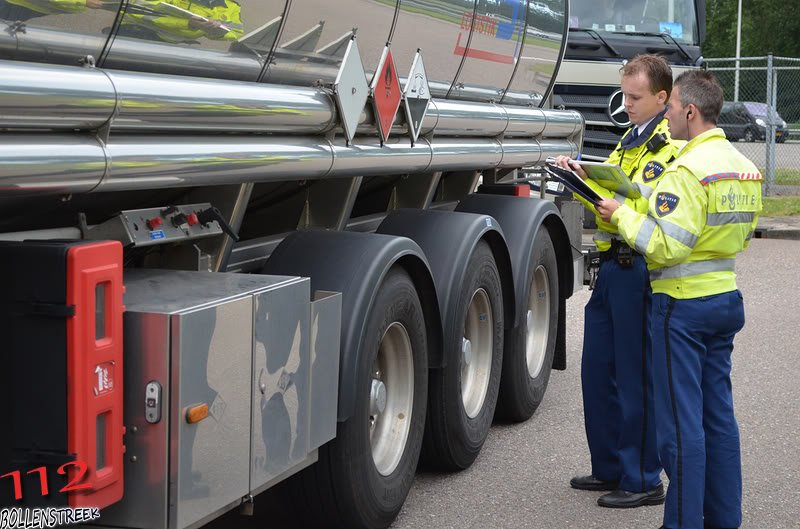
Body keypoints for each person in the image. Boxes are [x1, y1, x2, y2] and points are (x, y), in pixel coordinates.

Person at [596, 70, 761, 529]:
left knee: (680, 429)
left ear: (690, 110)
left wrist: (622, 216)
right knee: (720, 421)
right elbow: (741, 234)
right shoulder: (743, 167)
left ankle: (683, 523)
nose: (666, 118)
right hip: (725, 297)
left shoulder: (686, 169)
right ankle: (724, 520)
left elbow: (665, 244)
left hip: (681, 308)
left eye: (670, 110)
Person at [555, 54, 682, 509]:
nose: (625, 104)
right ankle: (609, 466)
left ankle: (644, 477)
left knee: (634, 377)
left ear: (662, 98)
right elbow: (606, 206)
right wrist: (581, 181)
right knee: (597, 374)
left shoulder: (668, 148)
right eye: (624, 94)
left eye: (635, 97)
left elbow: (657, 211)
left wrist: (613, 204)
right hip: (610, 268)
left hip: (638, 270)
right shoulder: (627, 142)